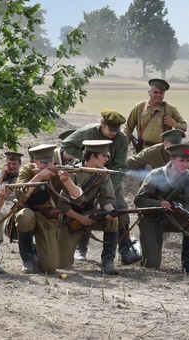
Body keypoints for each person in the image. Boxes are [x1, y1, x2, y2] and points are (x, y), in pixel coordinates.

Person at [61, 110, 139, 265]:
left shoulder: (121, 139)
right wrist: (85, 159)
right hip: (85, 174)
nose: (113, 133)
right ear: (102, 125)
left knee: (120, 209)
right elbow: (67, 145)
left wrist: (110, 186)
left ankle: (124, 252)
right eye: (110, 129)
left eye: (116, 130)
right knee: (86, 207)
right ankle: (80, 250)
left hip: (108, 177)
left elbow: (121, 166)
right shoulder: (89, 131)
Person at [134, 143, 189, 275]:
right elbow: (139, 200)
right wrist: (159, 203)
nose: (185, 164)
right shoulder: (155, 174)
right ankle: (135, 247)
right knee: (151, 265)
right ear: (171, 159)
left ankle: (187, 263)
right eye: (181, 160)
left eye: (188, 161)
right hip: (152, 218)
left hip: (172, 217)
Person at [13, 144, 82, 274]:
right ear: (35, 161)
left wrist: (66, 181)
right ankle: (27, 258)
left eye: (51, 161)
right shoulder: (27, 170)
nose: (49, 165)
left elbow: (78, 197)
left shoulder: (57, 171)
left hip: (47, 218)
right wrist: (38, 177)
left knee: (50, 267)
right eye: (44, 162)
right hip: (29, 214)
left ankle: (36, 252)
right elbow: (20, 196)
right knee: (25, 215)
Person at [57, 140, 121, 275]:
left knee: (113, 220)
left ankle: (108, 262)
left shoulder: (103, 173)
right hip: (71, 217)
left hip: (91, 214)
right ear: (92, 156)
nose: (107, 159)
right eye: (104, 155)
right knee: (61, 264)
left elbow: (107, 199)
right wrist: (80, 218)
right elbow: (62, 204)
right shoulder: (72, 172)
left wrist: (110, 212)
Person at [123, 79, 186, 152]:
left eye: (161, 93)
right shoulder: (139, 107)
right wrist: (123, 146)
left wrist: (175, 124)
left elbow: (184, 126)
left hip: (161, 152)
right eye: (155, 92)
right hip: (142, 151)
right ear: (149, 93)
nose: (158, 95)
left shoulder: (171, 109)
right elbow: (128, 128)